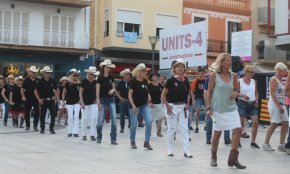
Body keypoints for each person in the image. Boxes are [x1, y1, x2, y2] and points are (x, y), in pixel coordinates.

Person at [207, 53, 246, 169]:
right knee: (217, 133)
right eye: (228, 60)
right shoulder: (214, 75)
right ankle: (213, 157)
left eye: (230, 61)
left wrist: (235, 93)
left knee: (238, 130)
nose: (230, 62)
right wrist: (208, 108)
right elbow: (209, 93)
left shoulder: (234, 76)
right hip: (218, 108)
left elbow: (236, 90)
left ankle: (233, 159)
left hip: (231, 107)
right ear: (222, 62)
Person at [161, 58, 192, 158]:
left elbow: (188, 94)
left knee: (185, 129)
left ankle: (187, 150)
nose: (180, 68)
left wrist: (187, 104)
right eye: (178, 66)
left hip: (183, 107)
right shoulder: (170, 81)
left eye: (182, 67)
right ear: (174, 68)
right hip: (172, 106)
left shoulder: (186, 81)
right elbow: (163, 96)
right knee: (171, 128)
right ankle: (170, 149)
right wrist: (168, 107)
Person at [262, 62, 288, 152]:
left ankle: (281, 144)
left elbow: (284, 93)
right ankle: (265, 143)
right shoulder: (274, 79)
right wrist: (279, 106)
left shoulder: (281, 80)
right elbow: (272, 94)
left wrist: (282, 105)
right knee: (274, 123)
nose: (286, 73)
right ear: (279, 70)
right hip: (274, 104)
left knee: (285, 123)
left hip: (281, 104)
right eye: (284, 71)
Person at [203, 63, 231, 145]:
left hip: (215, 102)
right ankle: (226, 139)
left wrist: (207, 104)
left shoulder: (209, 78)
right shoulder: (221, 78)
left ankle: (208, 139)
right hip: (217, 102)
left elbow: (205, 93)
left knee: (211, 120)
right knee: (224, 120)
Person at [128, 63, 153, 150]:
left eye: (146, 71)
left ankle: (147, 142)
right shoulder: (133, 81)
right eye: (144, 71)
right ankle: (132, 141)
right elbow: (129, 95)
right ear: (139, 72)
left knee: (149, 122)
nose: (146, 73)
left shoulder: (145, 81)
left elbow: (147, 91)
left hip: (144, 105)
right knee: (134, 124)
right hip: (135, 106)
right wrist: (133, 106)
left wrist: (149, 96)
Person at [237, 65, 260, 149]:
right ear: (245, 72)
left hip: (252, 104)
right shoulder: (239, 81)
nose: (251, 75)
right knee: (241, 124)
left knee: (255, 123)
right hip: (242, 103)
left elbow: (256, 93)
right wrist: (242, 95)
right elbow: (235, 92)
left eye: (252, 73)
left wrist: (257, 100)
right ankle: (237, 141)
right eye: (250, 73)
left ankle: (253, 142)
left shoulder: (254, 81)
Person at [96, 59, 118, 145]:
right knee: (100, 120)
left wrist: (113, 90)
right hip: (102, 100)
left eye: (109, 67)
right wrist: (98, 101)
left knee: (114, 119)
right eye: (106, 67)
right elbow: (97, 91)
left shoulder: (111, 77)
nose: (108, 69)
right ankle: (99, 137)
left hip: (111, 100)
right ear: (103, 67)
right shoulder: (99, 78)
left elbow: (114, 89)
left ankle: (113, 139)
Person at [34, 66, 58, 134]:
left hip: (51, 100)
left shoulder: (52, 80)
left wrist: (55, 96)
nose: (48, 74)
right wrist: (39, 99)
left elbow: (57, 89)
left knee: (53, 113)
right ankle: (42, 128)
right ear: (43, 73)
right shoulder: (40, 81)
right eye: (46, 73)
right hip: (43, 100)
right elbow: (35, 91)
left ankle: (51, 128)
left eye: (49, 73)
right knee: (43, 115)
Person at [79, 66, 99, 141]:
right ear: (88, 74)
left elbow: (97, 92)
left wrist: (97, 99)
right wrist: (82, 102)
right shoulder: (84, 82)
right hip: (85, 103)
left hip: (93, 102)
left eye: (93, 75)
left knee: (94, 118)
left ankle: (92, 134)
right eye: (91, 74)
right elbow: (80, 93)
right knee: (85, 119)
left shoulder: (95, 82)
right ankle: (84, 134)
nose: (92, 76)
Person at [62, 69, 81, 137]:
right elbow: (64, 92)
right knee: (70, 117)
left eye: (77, 75)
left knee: (76, 116)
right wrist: (63, 101)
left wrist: (81, 100)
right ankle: (70, 131)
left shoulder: (80, 84)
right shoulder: (68, 84)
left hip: (77, 102)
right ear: (72, 76)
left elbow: (82, 93)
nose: (76, 77)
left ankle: (75, 132)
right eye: (74, 75)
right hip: (69, 102)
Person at [23, 66, 40, 131]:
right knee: (26, 112)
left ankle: (35, 126)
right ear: (30, 73)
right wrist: (23, 96)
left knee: (37, 112)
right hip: (27, 99)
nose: (34, 73)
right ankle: (27, 125)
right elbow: (22, 89)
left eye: (35, 72)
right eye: (33, 72)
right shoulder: (26, 80)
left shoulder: (38, 80)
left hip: (36, 99)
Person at [116, 68, 131, 133]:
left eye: (129, 75)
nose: (128, 76)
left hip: (130, 100)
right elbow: (116, 91)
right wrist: (120, 97)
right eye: (126, 74)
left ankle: (130, 126)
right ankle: (122, 128)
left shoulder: (131, 83)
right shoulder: (120, 83)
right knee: (122, 115)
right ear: (124, 75)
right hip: (122, 101)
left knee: (130, 114)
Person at [191, 68, 206, 133]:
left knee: (207, 111)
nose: (202, 74)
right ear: (198, 73)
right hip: (198, 98)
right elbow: (192, 90)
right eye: (201, 73)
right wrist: (193, 99)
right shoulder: (195, 80)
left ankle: (206, 125)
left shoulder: (205, 80)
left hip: (205, 97)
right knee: (198, 112)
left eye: (203, 73)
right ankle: (197, 127)